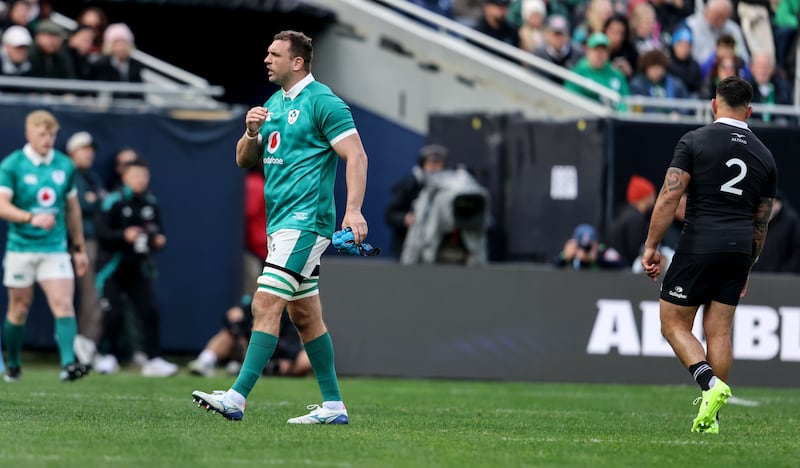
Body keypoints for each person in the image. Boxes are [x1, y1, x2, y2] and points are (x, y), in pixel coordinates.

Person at [192, 30, 370, 424]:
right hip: (281, 224)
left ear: (298, 62)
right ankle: (333, 406)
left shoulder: (323, 101)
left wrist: (354, 211)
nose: (266, 60)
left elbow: (356, 156)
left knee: (264, 303)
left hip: (306, 222)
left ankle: (236, 397)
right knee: (305, 316)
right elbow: (243, 160)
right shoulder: (273, 104)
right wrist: (250, 132)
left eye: (275, 54)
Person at [641, 76, 777, 434]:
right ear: (749, 111)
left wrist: (651, 245)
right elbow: (761, 221)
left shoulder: (694, 140)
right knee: (718, 332)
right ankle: (712, 418)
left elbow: (670, 196)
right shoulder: (765, 155)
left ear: (714, 105)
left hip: (700, 242)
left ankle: (709, 384)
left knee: (672, 323)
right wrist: (748, 265)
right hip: (739, 249)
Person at [0, 109, 91, 382]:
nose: (47, 139)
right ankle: (13, 363)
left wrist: (79, 248)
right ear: (28, 134)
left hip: (54, 248)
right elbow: (2, 205)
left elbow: (72, 209)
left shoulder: (64, 165)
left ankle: (68, 365)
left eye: (51, 134)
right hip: (21, 248)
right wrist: (30, 218)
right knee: (19, 308)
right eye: (42, 134)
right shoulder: (13, 164)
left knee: (63, 303)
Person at [93, 158, 178, 377]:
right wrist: (124, 235)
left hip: (139, 266)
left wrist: (157, 240)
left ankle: (154, 358)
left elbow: (158, 232)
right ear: (125, 177)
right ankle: (106, 356)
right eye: (136, 176)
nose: (140, 180)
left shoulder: (151, 202)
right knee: (113, 314)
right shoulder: (113, 201)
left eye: (144, 176)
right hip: (112, 266)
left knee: (150, 311)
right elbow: (101, 233)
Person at [187, 295, 312, 378]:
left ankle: (253, 370)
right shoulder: (250, 303)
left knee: (304, 359)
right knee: (225, 335)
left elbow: (292, 346)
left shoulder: (288, 312)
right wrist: (238, 332)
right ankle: (204, 361)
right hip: (246, 349)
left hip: (276, 356)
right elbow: (230, 318)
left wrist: (277, 354)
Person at [65, 131, 107, 366]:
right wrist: (93, 201)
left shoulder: (92, 178)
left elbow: (102, 203)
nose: (89, 154)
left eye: (91, 150)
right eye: (84, 149)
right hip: (68, 242)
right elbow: (79, 206)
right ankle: (75, 349)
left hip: (89, 241)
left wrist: (96, 200)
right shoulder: (66, 174)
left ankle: (85, 347)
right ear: (72, 152)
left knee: (92, 296)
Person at [384, 144, 448, 258]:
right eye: (431, 163)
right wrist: (406, 219)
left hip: (438, 250)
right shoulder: (409, 185)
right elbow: (390, 214)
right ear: (423, 164)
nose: (435, 168)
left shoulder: (448, 187)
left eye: (438, 164)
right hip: (406, 248)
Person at [565, 32, 631, 105]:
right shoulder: (578, 72)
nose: (600, 54)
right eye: (596, 50)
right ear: (588, 51)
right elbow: (571, 98)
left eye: (603, 50)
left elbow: (625, 100)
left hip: (612, 111)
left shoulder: (616, 74)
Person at [609, 174, 657, 266]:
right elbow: (633, 249)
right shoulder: (635, 218)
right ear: (645, 197)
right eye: (652, 195)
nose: (654, 199)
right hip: (626, 268)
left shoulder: (624, 213)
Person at [89, 22, 144, 100]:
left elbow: (139, 92)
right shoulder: (101, 64)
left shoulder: (135, 65)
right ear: (110, 46)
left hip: (131, 104)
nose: (121, 48)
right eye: (117, 44)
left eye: (124, 43)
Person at [629, 49, 691, 115]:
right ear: (646, 68)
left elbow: (686, 104)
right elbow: (637, 108)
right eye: (653, 67)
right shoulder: (637, 84)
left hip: (672, 120)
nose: (656, 71)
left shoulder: (676, 84)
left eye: (659, 67)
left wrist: (678, 113)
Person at [750, 191, 800, 273]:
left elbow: (797, 251)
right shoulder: (757, 221)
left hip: (779, 276)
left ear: (776, 202)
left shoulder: (791, 220)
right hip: (756, 274)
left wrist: (786, 272)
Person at [532, 15, 585, 84]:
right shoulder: (538, 54)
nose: (558, 38)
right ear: (547, 35)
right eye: (555, 34)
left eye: (561, 34)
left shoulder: (578, 53)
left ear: (567, 35)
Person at [555, 223, 627, 270]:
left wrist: (596, 259)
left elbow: (622, 265)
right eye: (581, 245)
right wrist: (565, 258)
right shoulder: (572, 252)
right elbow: (553, 267)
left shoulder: (602, 251)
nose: (584, 249)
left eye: (588, 245)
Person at [0, 24, 33, 92]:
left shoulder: (30, 65)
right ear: (6, 46)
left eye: (25, 48)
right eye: (18, 48)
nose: (22, 52)